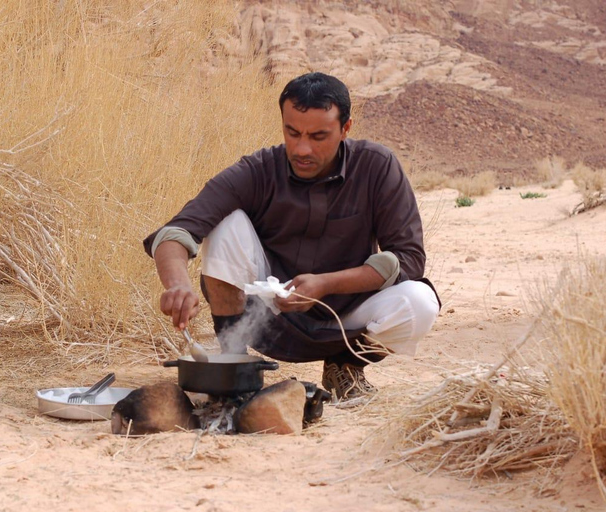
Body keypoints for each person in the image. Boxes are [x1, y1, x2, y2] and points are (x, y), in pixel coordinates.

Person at [143, 72, 440, 400]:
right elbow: (178, 230)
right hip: (270, 317)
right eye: (292, 132)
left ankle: (344, 366)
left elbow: (409, 259)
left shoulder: (377, 166)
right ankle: (232, 363)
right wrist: (177, 284)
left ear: (346, 129)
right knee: (226, 223)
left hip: (348, 318)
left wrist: (326, 284)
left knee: (419, 303)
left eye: (318, 136)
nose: (302, 148)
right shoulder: (258, 170)